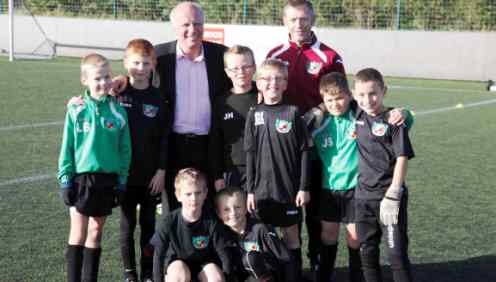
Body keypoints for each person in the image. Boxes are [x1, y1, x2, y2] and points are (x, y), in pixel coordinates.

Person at [266, 0, 346, 271]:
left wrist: (316, 112)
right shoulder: (275, 54)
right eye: (293, 20)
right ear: (284, 21)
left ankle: (317, 264)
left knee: (314, 211)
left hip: (317, 145)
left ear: (312, 20)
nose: (298, 25)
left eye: (303, 19)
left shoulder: (329, 56)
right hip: (283, 147)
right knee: (287, 212)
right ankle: (290, 267)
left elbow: (339, 97)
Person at [58, 53, 131, 282]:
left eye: (107, 77)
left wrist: (121, 181)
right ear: (85, 80)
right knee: (78, 233)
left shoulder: (119, 112)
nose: (103, 83)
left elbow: (124, 150)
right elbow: (67, 147)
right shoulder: (76, 110)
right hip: (81, 179)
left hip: (107, 180)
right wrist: (65, 180)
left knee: (96, 233)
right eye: (97, 78)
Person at [154, 1, 232, 214]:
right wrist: (120, 82)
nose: (192, 30)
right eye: (185, 24)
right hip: (172, 145)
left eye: (197, 23)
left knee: (210, 208)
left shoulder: (220, 55)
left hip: (210, 145)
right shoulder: (160, 57)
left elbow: (241, 81)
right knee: (172, 208)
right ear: (174, 27)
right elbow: (138, 80)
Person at [244, 58, 310, 281]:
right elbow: (250, 154)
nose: (273, 82)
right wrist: (251, 190)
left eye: (279, 78)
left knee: (292, 237)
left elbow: (304, 152)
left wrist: (302, 187)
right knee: (266, 236)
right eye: (267, 78)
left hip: (288, 190)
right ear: (259, 83)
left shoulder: (292, 112)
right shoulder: (254, 114)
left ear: (285, 84)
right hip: (261, 192)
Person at [352, 68, 415, 282]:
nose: (367, 100)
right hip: (362, 198)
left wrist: (394, 192)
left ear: (384, 91)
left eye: (373, 93)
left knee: (396, 255)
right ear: (354, 95)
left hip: (388, 197)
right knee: (367, 253)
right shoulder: (357, 113)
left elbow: (402, 157)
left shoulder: (393, 120)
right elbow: (334, 98)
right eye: (361, 95)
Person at [117, 39, 169, 282]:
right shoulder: (117, 93)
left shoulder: (158, 98)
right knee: (127, 226)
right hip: (124, 175)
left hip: (150, 176)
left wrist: (161, 171)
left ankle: (148, 272)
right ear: (126, 63)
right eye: (135, 62)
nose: (140, 67)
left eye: (145, 63)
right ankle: (130, 274)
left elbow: (163, 138)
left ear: (153, 65)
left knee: (149, 226)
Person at [151, 168, 234, 282]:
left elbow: (224, 254)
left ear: (205, 193)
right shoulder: (169, 221)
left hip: (204, 265)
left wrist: (228, 278)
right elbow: (158, 255)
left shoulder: (212, 221)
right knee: (179, 276)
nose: (194, 198)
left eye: (198, 193)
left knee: (216, 278)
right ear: (178, 195)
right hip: (178, 264)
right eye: (188, 194)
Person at [215, 186, 292, 282]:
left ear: (245, 208)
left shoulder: (261, 229)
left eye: (238, 207)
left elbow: (287, 259)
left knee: (251, 258)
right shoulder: (220, 234)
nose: (233, 213)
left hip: (269, 276)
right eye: (226, 209)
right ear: (218, 214)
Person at [209, 45, 258, 192]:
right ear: (227, 72)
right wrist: (217, 176)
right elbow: (215, 141)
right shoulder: (221, 102)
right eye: (235, 69)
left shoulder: (265, 96)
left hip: (262, 169)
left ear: (254, 67)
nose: (241, 72)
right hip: (232, 172)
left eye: (246, 67)